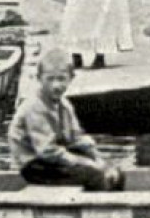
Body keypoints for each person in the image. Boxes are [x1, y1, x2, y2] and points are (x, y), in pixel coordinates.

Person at [8, 53, 124, 190]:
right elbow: (47, 151)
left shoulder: (64, 105)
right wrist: (87, 163)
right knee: (94, 176)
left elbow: (76, 137)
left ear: (71, 78)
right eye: (50, 79)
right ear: (39, 79)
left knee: (116, 173)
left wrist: (97, 158)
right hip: (35, 165)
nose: (56, 85)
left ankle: (110, 205)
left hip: (55, 158)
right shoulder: (34, 106)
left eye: (61, 79)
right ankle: (96, 208)